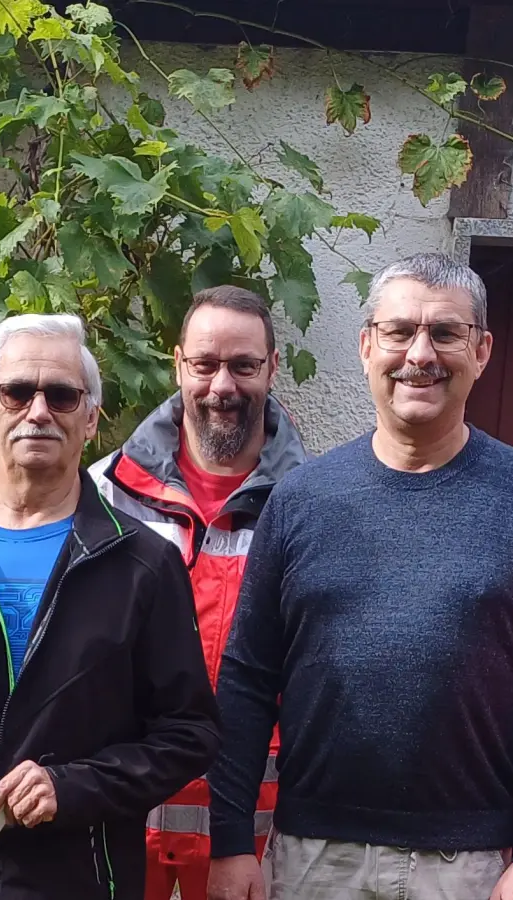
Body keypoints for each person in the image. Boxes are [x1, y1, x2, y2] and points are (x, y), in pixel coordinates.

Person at [207, 254, 513, 900]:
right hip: (314, 860)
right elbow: (248, 681)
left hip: (472, 865)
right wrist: (229, 842)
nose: (420, 354)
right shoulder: (301, 500)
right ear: (367, 346)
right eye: (399, 332)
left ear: (482, 350)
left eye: (445, 333)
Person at [0, 313, 220, 900]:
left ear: (90, 420)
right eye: (17, 392)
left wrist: (74, 786)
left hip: (78, 882)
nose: (37, 411)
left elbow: (190, 733)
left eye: (61, 395)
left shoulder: (142, 566)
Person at [90, 286, 308, 900]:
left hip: (260, 834)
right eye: (206, 365)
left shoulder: (315, 507)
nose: (222, 386)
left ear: (270, 368)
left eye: (243, 366)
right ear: (179, 363)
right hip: (122, 820)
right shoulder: (104, 498)